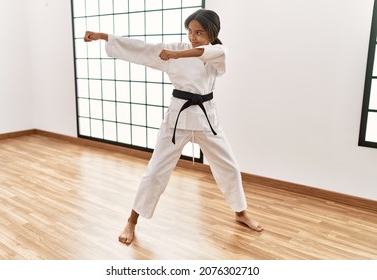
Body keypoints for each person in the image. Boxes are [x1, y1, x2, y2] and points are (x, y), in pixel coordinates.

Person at [84, 9, 263, 245]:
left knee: (229, 166)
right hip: (177, 119)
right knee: (156, 171)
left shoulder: (218, 51)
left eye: (199, 32)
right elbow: (141, 48)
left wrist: (176, 55)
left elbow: (202, 52)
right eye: (190, 31)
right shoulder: (174, 47)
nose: (193, 36)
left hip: (206, 118)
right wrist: (104, 36)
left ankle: (241, 213)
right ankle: (131, 221)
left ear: (212, 32)